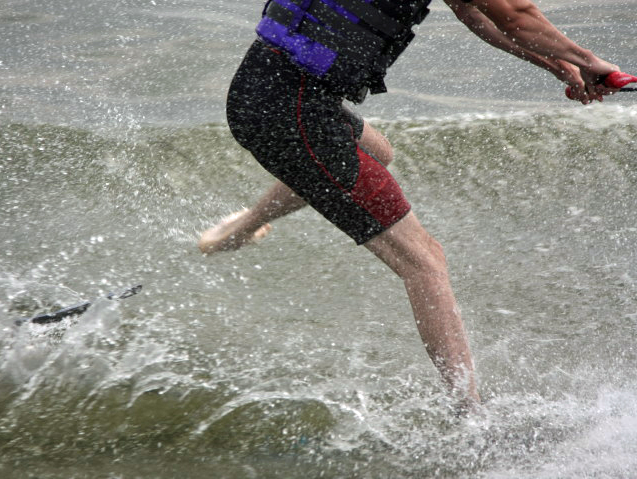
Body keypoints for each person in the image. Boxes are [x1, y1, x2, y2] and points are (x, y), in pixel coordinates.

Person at [198, 0, 619, 409]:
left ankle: (241, 228)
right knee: (425, 262)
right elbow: (517, 13)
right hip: (292, 109)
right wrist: (588, 58)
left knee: (377, 152)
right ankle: (468, 417)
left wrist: (556, 62)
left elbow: (474, 10)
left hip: (274, 91)